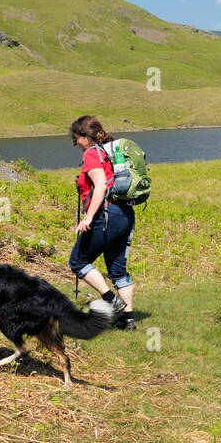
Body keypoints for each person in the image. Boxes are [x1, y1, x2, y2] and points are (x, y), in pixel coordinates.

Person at [67, 115, 136, 331]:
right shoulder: (110, 152)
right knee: (118, 270)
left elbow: (100, 186)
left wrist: (88, 218)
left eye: (77, 138)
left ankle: (111, 301)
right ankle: (128, 320)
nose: (76, 143)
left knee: (77, 262)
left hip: (106, 216)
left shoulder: (91, 154)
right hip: (125, 215)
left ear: (86, 137)